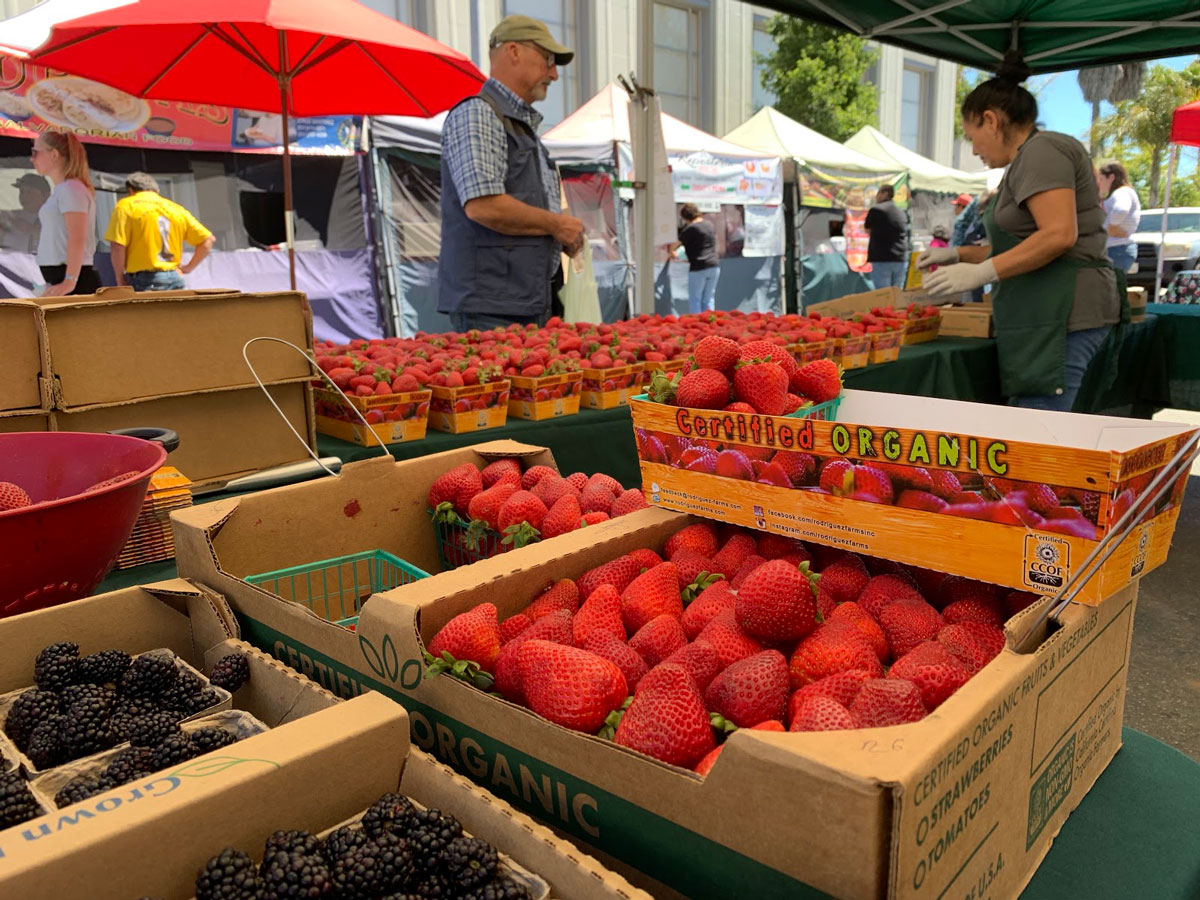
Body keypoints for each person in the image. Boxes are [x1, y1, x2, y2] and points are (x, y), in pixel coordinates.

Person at [918, 53, 1124, 412]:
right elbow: (1023, 247)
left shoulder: (1043, 150)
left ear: (991, 120)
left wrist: (982, 272)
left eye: (972, 137)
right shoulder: (1026, 161)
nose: (974, 150)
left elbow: (1059, 236)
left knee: (1043, 440)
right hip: (1045, 318)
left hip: (1064, 317)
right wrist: (957, 255)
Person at [438, 14, 585, 332]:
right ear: (514, 51)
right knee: (495, 383)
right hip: (492, 309)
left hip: (523, 301)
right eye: (548, 59)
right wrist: (557, 225)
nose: (554, 74)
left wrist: (559, 236)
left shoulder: (520, 126)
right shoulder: (480, 113)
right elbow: (484, 206)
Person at [104, 172, 215, 291]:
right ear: (156, 190)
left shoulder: (126, 206)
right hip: (174, 276)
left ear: (131, 190)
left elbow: (117, 245)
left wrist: (119, 277)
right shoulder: (174, 208)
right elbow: (208, 240)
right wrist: (188, 267)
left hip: (145, 279)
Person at [31, 131, 100, 296]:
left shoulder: (71, 189)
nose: (31, 159)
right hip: (62, 276)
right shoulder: (65, 190)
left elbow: (77, 236)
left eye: (35, 152)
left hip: (71, 278)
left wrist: (69, 281)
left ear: (54, 154)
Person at [669, 203, 720, 313]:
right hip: (714, 266)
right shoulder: (709, 225)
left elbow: (674, 246)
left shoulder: (690, 229)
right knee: (709, 298)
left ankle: (697, 324)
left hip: (698, 268)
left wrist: (672, 253)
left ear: (685, 217)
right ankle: (710, 324)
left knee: (695, 300)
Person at [1097, 160, 1141, 274]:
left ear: (1111, 177)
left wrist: (1112, 228)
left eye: (1101, 179)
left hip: (1117, 250)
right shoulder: (1123, 192)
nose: (1099, 183)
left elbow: (1121, 210)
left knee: (1109, 288)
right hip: (1117, 250)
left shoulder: (1122, 192)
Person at [864, 184, 908, 288]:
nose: (877, 196)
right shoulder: (901, 212)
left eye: (879, 193)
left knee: (883, 296)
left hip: (882, 259)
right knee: (897, 295)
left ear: (885, 194)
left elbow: (867, 229)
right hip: (900, 259)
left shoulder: (875, 210)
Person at [0, 173, 50, 252]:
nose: (24, 196)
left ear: (46, 195)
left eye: (29, 192)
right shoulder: (10, 216)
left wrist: (30, 229)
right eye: (22, 192)